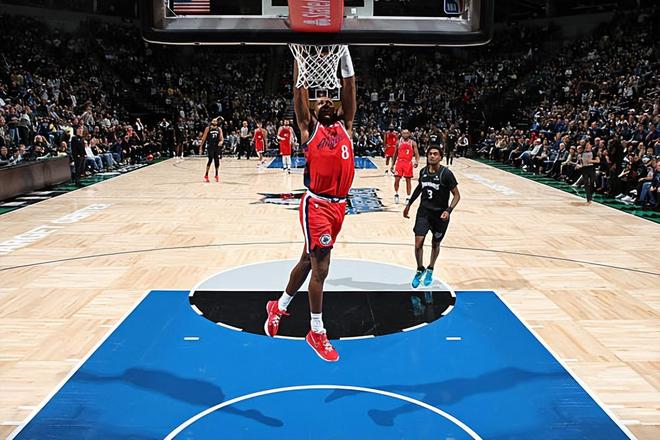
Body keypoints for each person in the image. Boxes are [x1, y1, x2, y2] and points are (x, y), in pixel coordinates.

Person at [264, 47, 356, 362]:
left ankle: (279, 306)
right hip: (317, 206)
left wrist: (345, 56)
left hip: (339, 207)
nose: (325, 101)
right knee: (322, 268)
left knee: (307, 261)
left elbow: (349, 88)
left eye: (330, 98)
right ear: (313, 109)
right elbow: (298, 93)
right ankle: (316, 331)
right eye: (320, 100)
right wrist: (300, 62)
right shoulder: (308, 129)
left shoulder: (346, 126)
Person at [403, 145, 460, 288]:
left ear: (440, 157)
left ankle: (430, 268)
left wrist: (449, 210)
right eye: (430, 154)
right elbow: (419, 188)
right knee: (418, 244)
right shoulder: (423, 171)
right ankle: (419, 269)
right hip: (424, 213)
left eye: (435, 154)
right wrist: (409, 204)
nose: (432, 156)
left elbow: (457, 195)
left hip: (440, 215)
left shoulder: (446, 174)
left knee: (435, 243)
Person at [391, 129, 420, 204]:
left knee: (408, 180)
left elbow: (417, 153)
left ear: (409, 134)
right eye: (404, 133)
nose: (405, 134)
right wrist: (392, 165)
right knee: (397, 179)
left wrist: (416, 161)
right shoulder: (398, 142)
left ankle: (408, 197)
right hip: (399, 162)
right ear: (401, 134)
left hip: (408, 163)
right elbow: (395, 154)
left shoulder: (413, 143)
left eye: (407, 133)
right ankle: (396, 194)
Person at [199, 117, 224, 182]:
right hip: (210, 146)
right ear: (211, 122)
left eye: (216, 121)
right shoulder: (208, 128)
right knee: (210, 159)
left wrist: (221, 142)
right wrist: (201, 146)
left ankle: (216, 174)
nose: (215, 121)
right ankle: (206, 174)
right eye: (214, 120)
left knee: (217, 161)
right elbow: (204, 138)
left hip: (217, 146)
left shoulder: (219, 129)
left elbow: (221, 138)